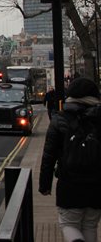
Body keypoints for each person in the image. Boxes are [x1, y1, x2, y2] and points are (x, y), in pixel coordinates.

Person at [39, 77, 101, 242]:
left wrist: (44, 185)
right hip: (97, 184)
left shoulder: (59, 119)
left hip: (69, 184)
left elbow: (48, 156)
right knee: (90, 225)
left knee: (69, 225)